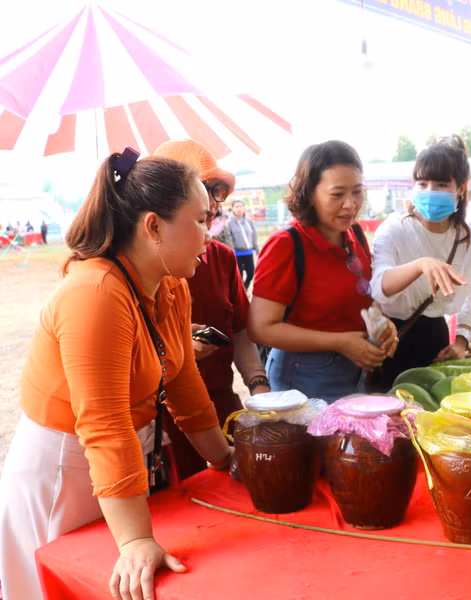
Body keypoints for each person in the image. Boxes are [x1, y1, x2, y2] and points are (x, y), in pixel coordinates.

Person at [0, 150, 233, 600]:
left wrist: (224, 458)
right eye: (201, 220)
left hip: (115, 468)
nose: (210, 233)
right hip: (66, 471)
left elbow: (184, 384)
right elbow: (104, 424)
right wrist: (136, 539)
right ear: (153, 226)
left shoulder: (171, 286)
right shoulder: (96, 292)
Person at [153, 140, 270, 480]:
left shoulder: (222, 258)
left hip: (218, 401)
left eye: (214, 204)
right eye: (200, 215)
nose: (213, 212)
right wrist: (179, 353)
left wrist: (258, 385)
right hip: (162, 416)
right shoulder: (137, 276)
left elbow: (240, 327)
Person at [248, 141, 398, 402]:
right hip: (303, 377)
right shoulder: (286, 245)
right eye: (337, 195)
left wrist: (385, 326)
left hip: (354, 370)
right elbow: (260, 328)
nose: (350, 204)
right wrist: (340, 342)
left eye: (357, 192)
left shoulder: (355, 234)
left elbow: (365, 295)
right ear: (309, 194)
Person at [370, 135, 471, 389]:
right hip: (390, 339)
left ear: (460, 188)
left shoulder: (466, 239)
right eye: (422, 183)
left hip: (435, 340)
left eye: (441, 184)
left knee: (430, 405)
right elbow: (378, 285)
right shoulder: (395, 229)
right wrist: (421, 265)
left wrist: (462, 341)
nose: (430, 191)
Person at [227, 200, 258, 288]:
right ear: (232, 209)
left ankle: (245, 288)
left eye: (240, 206)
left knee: (251, 273)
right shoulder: (229, 223)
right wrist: (231, 252)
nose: (239, 208)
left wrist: (257, 249)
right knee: (239, 275)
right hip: (237, 253)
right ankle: (241, 291)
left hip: (249, 252)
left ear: (244, 208)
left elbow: (254, 235)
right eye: (236, 207)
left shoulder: (249, 222)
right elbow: (229, 239)